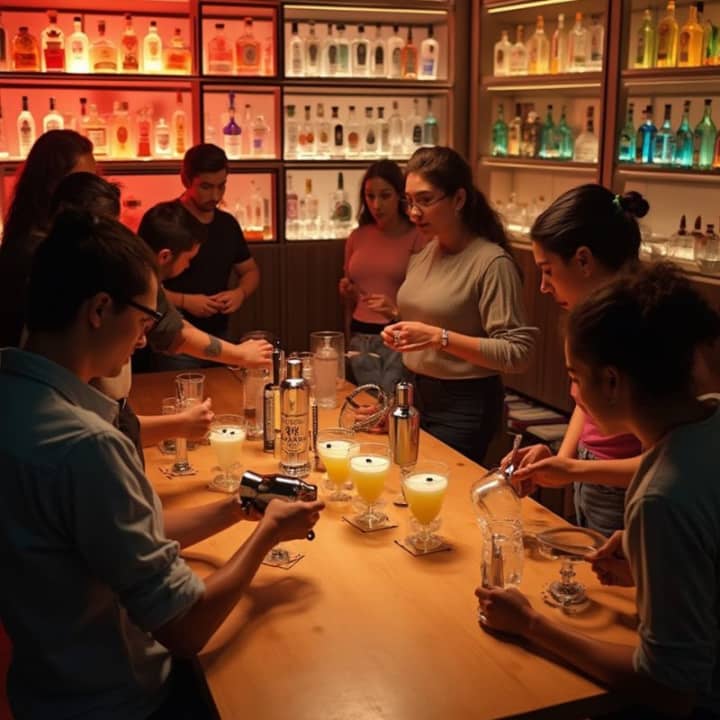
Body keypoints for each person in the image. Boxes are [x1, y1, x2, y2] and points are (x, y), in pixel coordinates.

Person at [0, 208, 323, 719]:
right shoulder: (86, 445)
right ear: (99, 309)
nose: (144, 339)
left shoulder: (15, 398)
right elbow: (185, 627)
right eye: (144, 320)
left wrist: (239, 507)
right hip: (121, 701)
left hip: (42, 691)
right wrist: (268, 535)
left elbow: (112, 536)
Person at [476, 262, 720, 718]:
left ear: (611, 382)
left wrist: (530, 624)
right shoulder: (709, 413)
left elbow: (669, 687)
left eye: (574, 376)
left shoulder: (660, 500)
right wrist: (649, 565)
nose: (573, 394)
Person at [503, 185, 649, 536]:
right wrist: (563, 461)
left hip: (627, 492)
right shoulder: (587, 319)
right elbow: (585, 403)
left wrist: (574, 471)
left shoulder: (642, 330)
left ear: (583, 260)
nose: (543, 286)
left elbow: (666, 463)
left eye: (548, 270)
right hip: (591, 475)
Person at [381, 146, 537, 465]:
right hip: (414, 393)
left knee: (436, 487)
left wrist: (438, 337)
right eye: (409, 201)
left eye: (425, 200)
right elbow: (430, 321)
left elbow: (518, 352)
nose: (414, 213)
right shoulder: (425, 253)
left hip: (464, 405)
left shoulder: (491, 262)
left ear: (459, 199)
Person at [155, 143, 260, 368]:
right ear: (185, 180)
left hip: (220, 335)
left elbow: (250, 271)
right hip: (173, 340)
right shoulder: (164, 221)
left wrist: (240, 293)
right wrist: (185, 301)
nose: (215, 195)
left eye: (221, 186)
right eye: (206, 186)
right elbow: (143, 286)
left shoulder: (227, 224)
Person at [0, 129, 95, 346]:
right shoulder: (34, 253)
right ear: (50, 186)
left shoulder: (55, 241)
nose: (92, 191)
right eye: (81, 183)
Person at [338, 160, 426, 395]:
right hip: (360, 336)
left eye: (385, 196)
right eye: (370, 196)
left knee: (390, 402)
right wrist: (348, 292)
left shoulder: (417, 236)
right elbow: (350, 300)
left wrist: (395, 309)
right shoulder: (358, 236)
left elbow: (426, 298)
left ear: (400, 196)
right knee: (366, 402)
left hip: (397, 335)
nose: (377, 205)